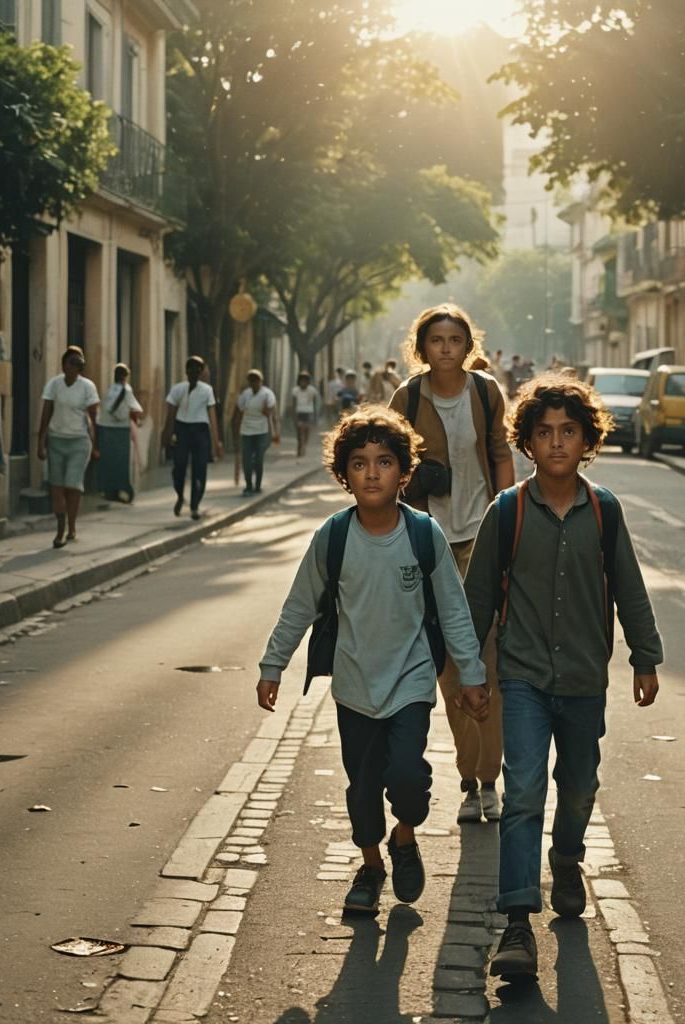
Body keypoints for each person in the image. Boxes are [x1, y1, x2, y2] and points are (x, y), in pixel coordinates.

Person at [462, 372, 663, 982]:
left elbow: (628, 585)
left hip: (582, 678)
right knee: (524, 795)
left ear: (586, 440)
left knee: (579, 786)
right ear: (527, 441)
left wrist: (645, 657)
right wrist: (473, 671)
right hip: (521, 677)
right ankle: (518, 922)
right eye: (544, 432)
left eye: (568, 432)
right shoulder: (507, 511)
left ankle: (568, 855)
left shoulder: (603, 510)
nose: (556, 443)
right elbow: (476, 600)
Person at [255, 406, 486, 914]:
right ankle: (372, 866)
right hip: (355, 684)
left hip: (410, 682)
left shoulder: (424, 534)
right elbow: (299, 606)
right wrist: (273, 665)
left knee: (406, 776)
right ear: (345, 475)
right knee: (361, 788)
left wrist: (472, 674)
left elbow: (453, 609)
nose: (372, 472)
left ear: (404, 472)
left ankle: (404, 836)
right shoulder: (333, 537)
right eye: (359, 463)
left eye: (384, 462)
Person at [388, 304, 515, 824]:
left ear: (468, 345)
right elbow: (390, 462)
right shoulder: (408, 397)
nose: (446, 347)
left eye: (455, 339)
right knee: (449, 667)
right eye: (436, 339)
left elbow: (502, 454)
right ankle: (469, 779)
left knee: (489, 664)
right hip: (430, 544)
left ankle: (491, 779)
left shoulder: (485, 393)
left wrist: (508, 520)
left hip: (483, 540)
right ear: (423, 347)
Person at [37, 345, 100, 549]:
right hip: (56, 440)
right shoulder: (54, 384)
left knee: (72, 486)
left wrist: (96, 444)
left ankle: (72, 525)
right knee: (56, 486)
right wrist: (41, 441)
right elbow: (46, 413)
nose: (76, 367)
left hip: (78, 442)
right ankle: (61, 528)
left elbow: (93, 417)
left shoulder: (88, 387)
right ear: (64, 365)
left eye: (80, 364)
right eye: (72, 363)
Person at [160, 355, 223, 521]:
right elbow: (171, 414)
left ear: (201, 372)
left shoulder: (206, 390)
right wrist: (166, 435)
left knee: (199, 470)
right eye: (191, 370)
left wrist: (216, 443)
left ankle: (195, 505)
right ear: (186, 372)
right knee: (179, 467)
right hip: (182, 429)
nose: (194, 373)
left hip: (200, 431)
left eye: (197, 370)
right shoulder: (178, 389)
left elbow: (212, 417)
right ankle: (180, 495)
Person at [97, 363, 143, 503]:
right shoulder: (126, 390)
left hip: (105, 428)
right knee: (121, 461)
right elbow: (135, 408)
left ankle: (110, 490)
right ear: (125, 376)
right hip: (120, 430)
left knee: (109, 461)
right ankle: (125, 489)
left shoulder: (109, 389)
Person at [234, 369, 280, 495]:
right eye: (252, 381)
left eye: (256, 380)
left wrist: (276, 432)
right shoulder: (245, 395)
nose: (254, 383)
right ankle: (248, 485)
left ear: (261, 381)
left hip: (262, 430)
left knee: (259, 459)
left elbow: (271, 413)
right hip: (247, 430)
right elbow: (239, 413)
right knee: (247, 460)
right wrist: (236, 432)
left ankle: (257, 485)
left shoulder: (267, 394)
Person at [290, 371, 321, 458]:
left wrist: (315, 415)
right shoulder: (295, 390)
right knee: (300, 432)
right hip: (299, 412)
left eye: (305, 380)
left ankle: (304, 446)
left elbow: (315, 402)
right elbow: (294, 403)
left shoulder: (312, 390)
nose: (303, 382)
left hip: (308, 412)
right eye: (302, 380)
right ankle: (300, 447)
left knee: (306, 432)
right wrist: (294, 415)